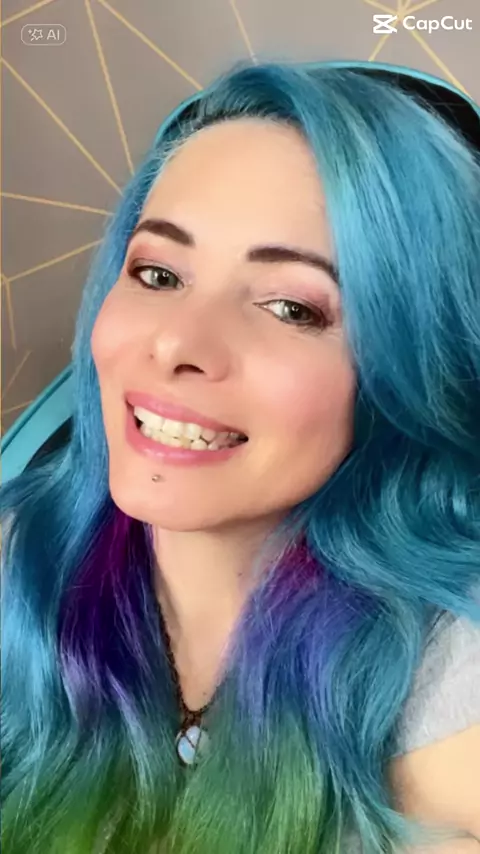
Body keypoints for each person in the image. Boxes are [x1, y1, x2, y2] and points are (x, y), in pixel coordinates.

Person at [1, 58, 480, 854]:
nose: (177, 344)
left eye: (291, 307)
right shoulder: (20, 557)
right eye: (158, 273)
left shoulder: (449, 680)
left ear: (406, 369)